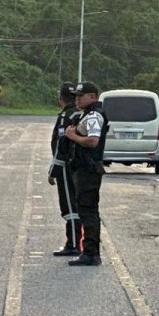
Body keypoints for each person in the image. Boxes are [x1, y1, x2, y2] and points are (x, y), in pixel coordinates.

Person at [64, 81, 109, 267]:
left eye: (80, 96)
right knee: (86, 210)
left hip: (88, 170)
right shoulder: (88, 114)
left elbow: (92, 141)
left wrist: (72, 135)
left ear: (93, 96)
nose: (77, 99)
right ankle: (89, 252)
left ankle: (91, 253)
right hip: (84, 169)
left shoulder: (93, 116)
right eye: (75, 96)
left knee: (88, 211)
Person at [49, 83, 82, 256]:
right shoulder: (81, 113)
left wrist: (54, 170)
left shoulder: (66, 116)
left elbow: (61, 146)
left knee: (69, 206)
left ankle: (74, 244)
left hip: (66, 167)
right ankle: (76, 242)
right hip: (79, 167)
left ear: (60, 98)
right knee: (76, 204)